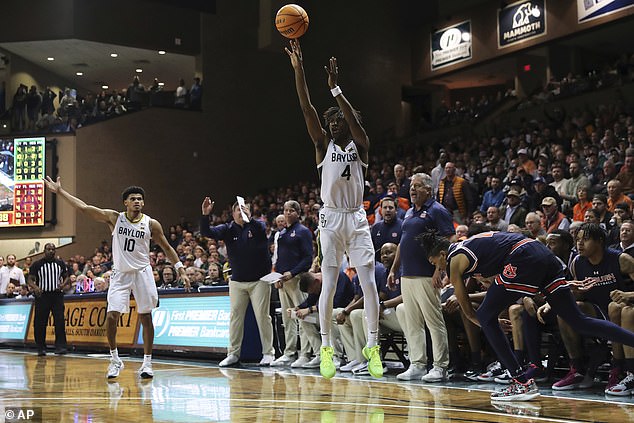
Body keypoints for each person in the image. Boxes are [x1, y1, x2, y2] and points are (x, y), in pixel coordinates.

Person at [421, 229, 634, 401]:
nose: (438, 268)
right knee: (579, 321)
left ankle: (520, 382)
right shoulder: (471, 249)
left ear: (441, 255)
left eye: (434, 264)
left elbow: (465, 306)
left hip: (522, 256)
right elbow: (508, 284)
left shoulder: (454, 259)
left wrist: (486, 322)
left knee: (484, 315)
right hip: (539, 254)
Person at [286, 39, 382, 379]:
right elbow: (306, 107)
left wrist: (336, 89)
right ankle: (326, 347)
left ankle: (373, 346)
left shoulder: (361, 147)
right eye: (333, 122)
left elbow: (356, 125)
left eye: (340, 120)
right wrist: (299, 71)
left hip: (356, 217)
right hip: (330, 219)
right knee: (327, 284)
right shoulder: (322, 144)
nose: (335, 124)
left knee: (368, 284)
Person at [43, 177, 189, 379]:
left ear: (143, 203)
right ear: (125, 203)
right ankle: (114, 359)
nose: (137, 201)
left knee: (146, 317)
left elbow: (166, 247)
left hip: (143, 273)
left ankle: (147, 363)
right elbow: (84, 208)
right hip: (120, 275)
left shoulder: (151, 224)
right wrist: (60, 192)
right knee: (112, 316)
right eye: (133, 199)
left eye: (140, 199)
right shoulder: (114, 218)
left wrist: (180, 268)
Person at [388, 173, 454, 382]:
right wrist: (393, 269)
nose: (412, 189)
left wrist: (439, 269)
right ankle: (417, 364)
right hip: (407, 274)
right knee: (413, 321)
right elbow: (403, 242)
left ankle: (440, 367)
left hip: (427, 274)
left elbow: (449, 240)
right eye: (411, 186)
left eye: (417, 186)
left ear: (429, 189)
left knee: (434, 322)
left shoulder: (437, 210)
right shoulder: (408, 212)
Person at [200, 197, 275, 367]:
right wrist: (205, 215)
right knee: (235, 317)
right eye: (238, 210)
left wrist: (250, 218)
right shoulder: (227, 229)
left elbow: (261, 229)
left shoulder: (258, 226)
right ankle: (233, 354)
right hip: (237, 281)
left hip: (260, 280)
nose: (242, 212)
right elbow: (207, 233)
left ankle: (268, 353)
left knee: (263, 316)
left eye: (245, 209)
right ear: (232, 213)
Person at [270, 200, 315, 368]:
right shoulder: (281, 234)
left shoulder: (303, 231)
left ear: (298, 213)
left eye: (291, 210)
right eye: (285, 210)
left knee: (301, 316)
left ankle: (305, 353)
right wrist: (277, 278)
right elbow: (280, 259)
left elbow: (307, 258)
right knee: (287, 319)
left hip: (297, 280)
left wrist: (292, 273)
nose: (288, 213)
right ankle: (289, 353)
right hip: (283, 281)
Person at [27, 243, 70, 356]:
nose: (51, 251)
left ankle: (60, 347)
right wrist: (35, 287)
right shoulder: (37, 264)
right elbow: (30, 279)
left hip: (56, 296)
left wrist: (62, 285)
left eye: (53, 249)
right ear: (44, 251)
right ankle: (41, 347)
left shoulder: (60, 263)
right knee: (40, 323)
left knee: (60, 321)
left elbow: (67, 276)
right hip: (42, 296)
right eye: (48, 249)